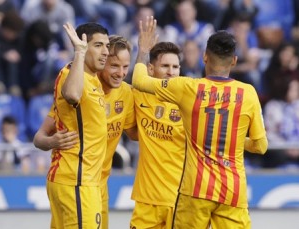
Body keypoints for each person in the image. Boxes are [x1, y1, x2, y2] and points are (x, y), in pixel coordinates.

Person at [132, 16, 268, 228]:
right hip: (232, 190)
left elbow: (139, 81)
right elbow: (260, 146)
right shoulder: (248, 93)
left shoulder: (188, 87)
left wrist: (143, 49)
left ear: (205, 57)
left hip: (195, 188)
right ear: (234, 61)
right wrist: (233, 139)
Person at [33, 34, 137, 229]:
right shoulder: (80, 89)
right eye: (114, 66)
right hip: (76, 180)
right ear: (101, 62)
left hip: (99, 185)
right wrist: (52, 142)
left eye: (125, 67)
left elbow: (136, 134)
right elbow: (39, 138)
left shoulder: (125, 93)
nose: (121, 73)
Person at [45, 22, 110, 228]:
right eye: (98, 45)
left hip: (76, 179)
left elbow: (44, 130)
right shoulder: (72, 72)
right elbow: (72, 94)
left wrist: (47, 140)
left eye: (107, 46)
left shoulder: (93, 79)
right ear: (83, 45)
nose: (105, 52)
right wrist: (79, 53)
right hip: (77, 180)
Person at [130, 41, 185, 228]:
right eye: (165, 66)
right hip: (147, 200)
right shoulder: (139, 95)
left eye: (175, 67)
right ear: (151, 70)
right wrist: (142, 50)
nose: (171, 72)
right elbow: (132, 132)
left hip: (181, 199)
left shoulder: (188, 102)